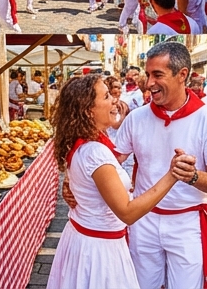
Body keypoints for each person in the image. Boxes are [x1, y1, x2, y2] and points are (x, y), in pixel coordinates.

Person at [102, 41, 207, 289]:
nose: (149, 83)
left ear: (182, 75)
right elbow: (111, 161)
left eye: (157, 75)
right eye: (148, 74)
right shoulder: (137, 118)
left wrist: (193, 176)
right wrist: (78, 179)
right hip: (143, 221)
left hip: (187, 222)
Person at [48, 74, 188, 289]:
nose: (114, 99)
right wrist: (172, 175)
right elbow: (127, 212)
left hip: (85, 240)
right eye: (106, 96)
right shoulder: (95, 152)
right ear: (88, 110)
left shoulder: (84, 142)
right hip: (99, 251)